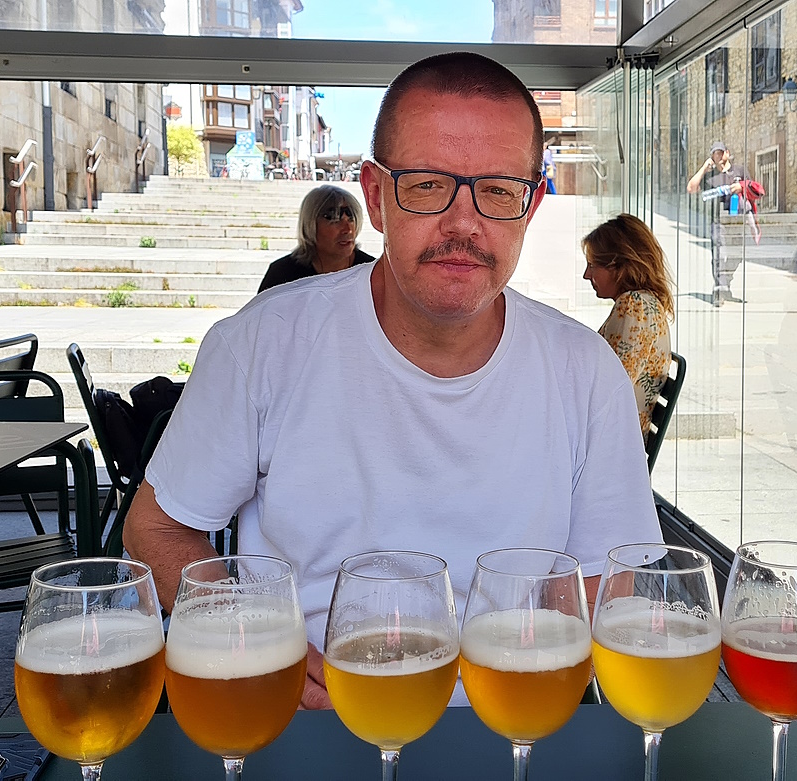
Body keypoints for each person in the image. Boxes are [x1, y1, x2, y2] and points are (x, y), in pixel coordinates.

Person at [124, 51, 661, 711]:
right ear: (375, 197)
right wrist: (252, 635)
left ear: (531, 206)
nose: (463, 223)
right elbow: (156, 528)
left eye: (498, 190)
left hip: (507, 721)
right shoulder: (263, 343)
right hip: (314, 720)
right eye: (428, 184)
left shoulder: (586, 372)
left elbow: (608, 580)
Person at [582, 214, 674, 440]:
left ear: (620, 266)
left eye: (592, 265)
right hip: (616, 438)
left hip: (611, 444)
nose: (586, 275)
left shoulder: (634, 306)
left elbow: (611, 390)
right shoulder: (644, 304)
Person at [257, 185, 375, 293]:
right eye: (335, 220)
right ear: (311, 224)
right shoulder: (282, 275)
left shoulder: (372, 273)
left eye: (351, 219)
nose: (348, 230)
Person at [685, 141, 749, 306]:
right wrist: (703, 169)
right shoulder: (710, 177)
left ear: (727, 153)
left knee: (737, 255)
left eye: (721, 152)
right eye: (715, 154)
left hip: (737, 220)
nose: (718, 156)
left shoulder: (739, 171)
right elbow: (691, 188)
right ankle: (719, 290)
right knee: (718, 254)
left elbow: (752, 188)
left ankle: (725, 283)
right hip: (718, 221)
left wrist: (741, 187)